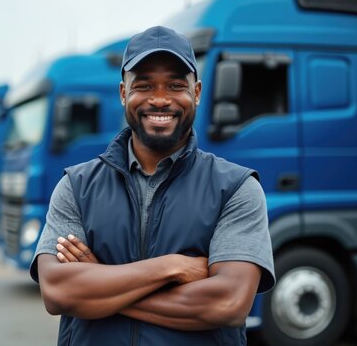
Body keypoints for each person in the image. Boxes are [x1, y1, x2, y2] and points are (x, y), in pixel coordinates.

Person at [30, 26, 275, 346]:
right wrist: (171, 267)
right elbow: (59, 292)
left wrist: (101, 285)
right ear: (123, 94)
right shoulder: (76, 186)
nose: (160, 99)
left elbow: (227, 303)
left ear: (197, 93)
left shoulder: (236, 188)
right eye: (144, 85)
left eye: (175, 85)